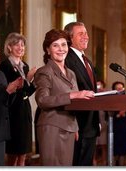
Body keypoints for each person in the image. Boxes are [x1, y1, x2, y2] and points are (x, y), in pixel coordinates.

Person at [34, 29, 95, 166]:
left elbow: (76, 104)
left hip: (70, 128)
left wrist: (75, 126)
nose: (61, 49)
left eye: (64, 45)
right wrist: (72, 95)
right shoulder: (44, 72)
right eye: (55, 45)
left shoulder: (71, 73)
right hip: (51, 128)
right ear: (48, 50)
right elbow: (42, 100)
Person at [64, 22, 100, 166]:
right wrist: (74, 125)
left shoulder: (87, 61)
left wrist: (96, 120)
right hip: (78, 125)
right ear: (70, 38)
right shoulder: (67, 59)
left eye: (86, 33)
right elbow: (68, 92)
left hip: (90, 124)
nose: (86, 37)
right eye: (81, 34)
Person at [0, 32, 36, 166]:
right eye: (17, 45)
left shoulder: (24, 65)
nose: (21, 48)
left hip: (24, 110)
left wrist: (33, 83)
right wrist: (29, 79)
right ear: (9, 47)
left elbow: (26, 91)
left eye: (23, 45)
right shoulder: (5, 66)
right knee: (14, 152)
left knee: (24, 153)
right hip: (13, 112)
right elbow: (12, 90)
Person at [0, 39, 21, 166]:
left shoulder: (0, 74)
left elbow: (6, 102)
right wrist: (7, 91)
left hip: (2, 127)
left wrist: (14, 90)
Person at [111, 81, 126, 166]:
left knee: (123, 152)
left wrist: (124, 115)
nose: (120, 90)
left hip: (124, 129)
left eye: (121, 88)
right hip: (114, 129)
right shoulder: (110, 100)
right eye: (117, 89)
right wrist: (119, 115)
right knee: (114, 151)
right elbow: (108, 116)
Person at [93, 80, 108, 166]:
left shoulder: (105, 95)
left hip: (103, 123)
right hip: (94, 122)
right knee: (93, 145)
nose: (98, 87)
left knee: (103, 144)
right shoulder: (92, 93)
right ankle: (94, 162)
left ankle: (104, 162)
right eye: (97, 85)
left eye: (100, 85)